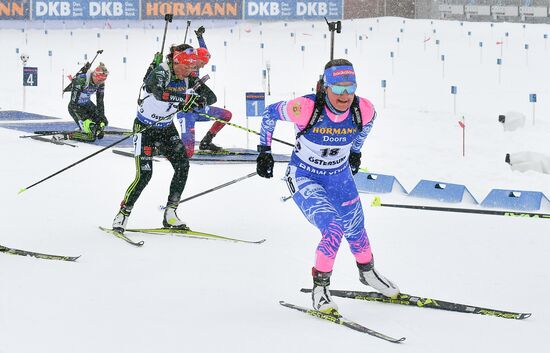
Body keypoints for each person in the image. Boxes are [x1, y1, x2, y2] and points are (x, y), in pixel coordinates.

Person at [256, 59, 399, 314]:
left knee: (356, 228)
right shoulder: (305, 107)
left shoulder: (363, 109)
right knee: (333, 228)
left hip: (339, 176)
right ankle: (320, 289)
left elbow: (368, 125)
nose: (345, 95)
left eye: (350, 87)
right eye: (338, 88)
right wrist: (264, 152)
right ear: (325, 87)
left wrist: (355, 151)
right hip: (305, 177)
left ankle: (367, 273)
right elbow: (269, 113)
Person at [111, 44, 216, 233]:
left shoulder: (188, 76)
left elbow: (211, 97)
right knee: (145, 175)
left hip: (167, 129)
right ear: (176, 62)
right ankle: (123, 213)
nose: (189, 72)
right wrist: (183, 100)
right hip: (145, 128)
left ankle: (171, 213)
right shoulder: (161, 72)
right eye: (186, 68)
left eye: (192, 68)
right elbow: (158, 92)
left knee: (183, 166)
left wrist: (199, 101)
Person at [178, 26, 233, 155]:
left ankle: (206, 141)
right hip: (186, 113)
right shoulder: (184, 67)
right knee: (188, 152)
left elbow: (204, 52)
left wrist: (200, 37)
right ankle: (162, 147)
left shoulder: (197, 61)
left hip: (199, 108)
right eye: (203, 63)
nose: (203, 66)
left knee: (226, 115)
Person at [65, 63, 109, 142]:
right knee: (90, 136)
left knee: (104, 121)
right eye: (99, 80)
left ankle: (89, 128)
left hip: (87, 104)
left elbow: (100, 101)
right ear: (94, 75)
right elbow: (73, 104)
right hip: (75, 107)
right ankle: (71, 135)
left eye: (103, 80)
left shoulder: (101, 83)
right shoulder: (81, 80)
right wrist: (86, 120)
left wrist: (101, 120)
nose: (100, 82)